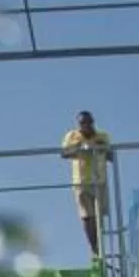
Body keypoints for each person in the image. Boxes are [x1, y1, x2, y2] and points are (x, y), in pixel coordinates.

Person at [59, 110, 113, 258]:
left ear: (92, 122)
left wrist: (101, 147)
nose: (85, 126)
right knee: (86, 216)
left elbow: (111, 156)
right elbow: (63, 153)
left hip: (99, 180)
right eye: (82, 123)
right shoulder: (72, 136)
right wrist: (79, 147)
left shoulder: (102, 136)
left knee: (98, 215)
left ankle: (99, 246)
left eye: (88, 122)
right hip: (81, 181)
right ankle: (94, 248)